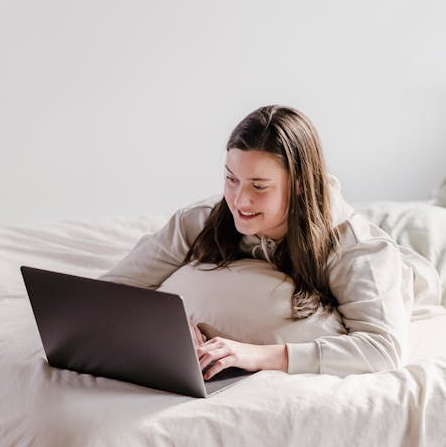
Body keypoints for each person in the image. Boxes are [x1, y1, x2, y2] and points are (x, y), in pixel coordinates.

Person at [100, 105, 441, 379]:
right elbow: (113, 288)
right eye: (232, 179)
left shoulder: (360, 251)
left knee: (430, 227)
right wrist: (167, 324)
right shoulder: (200, 220)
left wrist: (256, 354)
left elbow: (383, 348)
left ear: (300, 185)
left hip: (420, 272)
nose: (240, 201)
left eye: (259, 187)